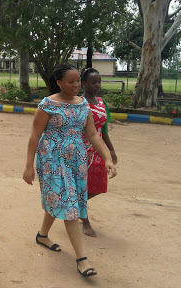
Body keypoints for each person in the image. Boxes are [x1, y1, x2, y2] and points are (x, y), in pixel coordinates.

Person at [23, 63, 117, 277]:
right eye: (71, 81)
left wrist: (107, 158)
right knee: (69, 205)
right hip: (52, 160)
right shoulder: (47, 105)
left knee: (62, 200)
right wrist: (29, 165)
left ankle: (42, 235)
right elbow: (35, 136)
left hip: (76, 160)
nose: (76, 85)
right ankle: (82, 259)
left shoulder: (83, 104)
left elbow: (93, 134)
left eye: (77, 81)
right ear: (59, 83)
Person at [80, 68, 118, 237]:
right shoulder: (79, 103)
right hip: (82, 151)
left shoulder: (102, 103)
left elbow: (104, 129)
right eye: (93, 82)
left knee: (100, 184)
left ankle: (73, 204)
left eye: (99, 82)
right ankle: (85, 220)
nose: (97, 85)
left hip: (99, 150)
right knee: (82, 186)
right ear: (83, 84)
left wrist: (110, 150)